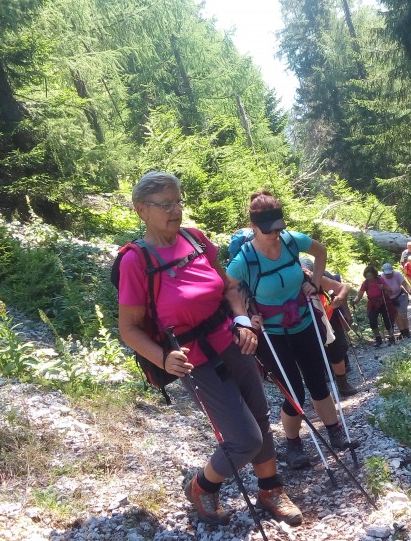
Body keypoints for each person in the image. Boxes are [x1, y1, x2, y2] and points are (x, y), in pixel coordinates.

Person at [116, 172, 302, 526]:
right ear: (142, 210)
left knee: (260, 416)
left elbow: (228, 288)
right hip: (192, 359)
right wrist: (162, 358)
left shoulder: (195, 239)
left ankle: (270, 489)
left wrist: (242, 320)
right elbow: (128, 328)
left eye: (178, 201)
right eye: (165, 204)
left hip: (231, 339)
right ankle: (201, 487)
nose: (176, 210)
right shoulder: (135, 261)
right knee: (243, 438)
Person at [226, 189, 356, 470]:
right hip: (271, 334)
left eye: (278, 228)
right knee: (294, 391)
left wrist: (316, 281)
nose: (274, 234)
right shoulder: (244, 260)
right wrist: (246, 317)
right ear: (253, 227)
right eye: (267, 229)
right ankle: (293, 443)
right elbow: (228, 290)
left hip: (304, 322)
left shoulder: (290, 241)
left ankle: (334, 432)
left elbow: (320, 252)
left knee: (319, 382)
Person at [300, 256, 358, 397]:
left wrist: (340, 300)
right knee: (312, 356)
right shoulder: (285, 282)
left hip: (328, 316)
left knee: (337, 350)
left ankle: (342, 384)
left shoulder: (318, 277)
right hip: (304, 323)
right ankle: (320, 393)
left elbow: (343, 288)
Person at [353, 265, 396, 347]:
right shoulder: (365, 283)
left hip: (383, 301)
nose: (369, 277)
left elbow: (390, 291)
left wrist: (383, 287)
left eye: (370, 275)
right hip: (372, 303)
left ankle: (391, 337)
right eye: (367, 276)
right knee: (372, 321)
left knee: (387, 320)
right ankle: (378, 338)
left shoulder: (380, 280)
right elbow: (360, 295)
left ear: (374, 274)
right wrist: (354, 301)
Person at [380, 262, 411, 339]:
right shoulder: (381, 277)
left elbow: (405, 284)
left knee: (403, 315)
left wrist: (410, 291)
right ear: (384, 272)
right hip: (390, 299)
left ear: (392, 271)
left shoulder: (397, 274)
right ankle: (402, 332)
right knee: (396, 316)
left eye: (389, 273)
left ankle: (407, 331)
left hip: (400, 295)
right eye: (387, 274)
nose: (388, 275)